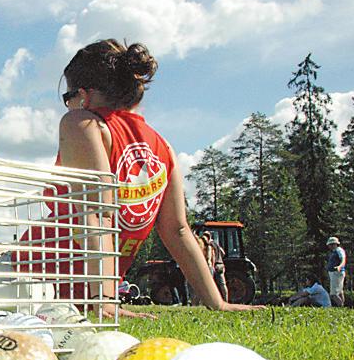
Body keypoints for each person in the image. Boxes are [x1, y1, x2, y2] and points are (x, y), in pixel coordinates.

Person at [54, 38, 262, 315]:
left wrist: (102, 300)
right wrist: (217, 301)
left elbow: (97, 214)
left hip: (36, 282)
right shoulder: (163, 147)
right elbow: (178, 231)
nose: (68, 107)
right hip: (78, 295)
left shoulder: (81, 123)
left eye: (68, 99)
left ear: (84, 96)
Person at [206, 232, 229, 301]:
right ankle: (226, 300)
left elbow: (209, 256)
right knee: (223, 284)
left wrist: (210, 264)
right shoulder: (216, 244)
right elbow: (223, 253)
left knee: (211, 284)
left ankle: (211, 300)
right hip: (221, 264)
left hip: (215, 265)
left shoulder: (209, 245)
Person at [326, 236, 346, 306]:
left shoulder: (339, 250)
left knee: (333, 294)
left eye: (331, 244)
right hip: (334, 273)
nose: (329, 246)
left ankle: (341, 308)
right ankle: (342, 306)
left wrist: (340, 266)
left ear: (335, 244)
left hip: (336, 273)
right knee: (340, 292)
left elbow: (343, 259)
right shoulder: (334, 252)